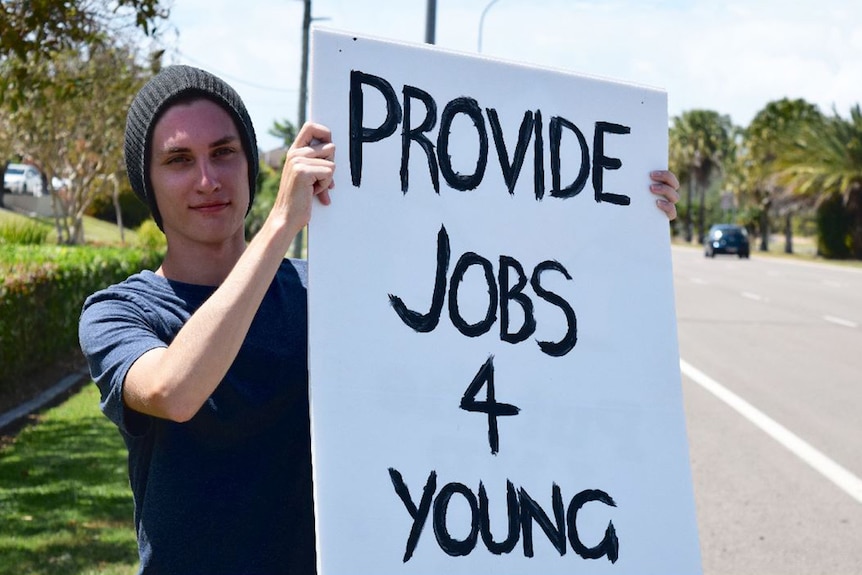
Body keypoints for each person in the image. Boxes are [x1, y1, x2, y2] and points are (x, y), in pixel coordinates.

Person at [79, 64, 679, 574]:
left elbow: (485, 336)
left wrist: (622, 223)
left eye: (224, 152)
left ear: (249, 165)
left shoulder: (330, 293)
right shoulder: (119, 312)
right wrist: (282, 227)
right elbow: (174, 390)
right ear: (148, 184)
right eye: (179, 160)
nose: (208, 179)